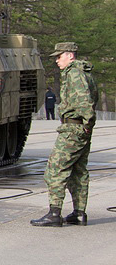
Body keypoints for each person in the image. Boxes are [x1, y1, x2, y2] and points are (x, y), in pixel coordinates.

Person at [31, 42, 98, 227]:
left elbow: (84, 100)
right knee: (78, 172)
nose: (57, 61)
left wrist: (87, 122)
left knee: (55, 170)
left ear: (70, 55)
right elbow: (94, 96)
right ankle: (79, 213)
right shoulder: (84, 72)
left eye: (59, 57)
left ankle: (54, 213)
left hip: (73, 129)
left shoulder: (74, 72)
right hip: (80, 128)